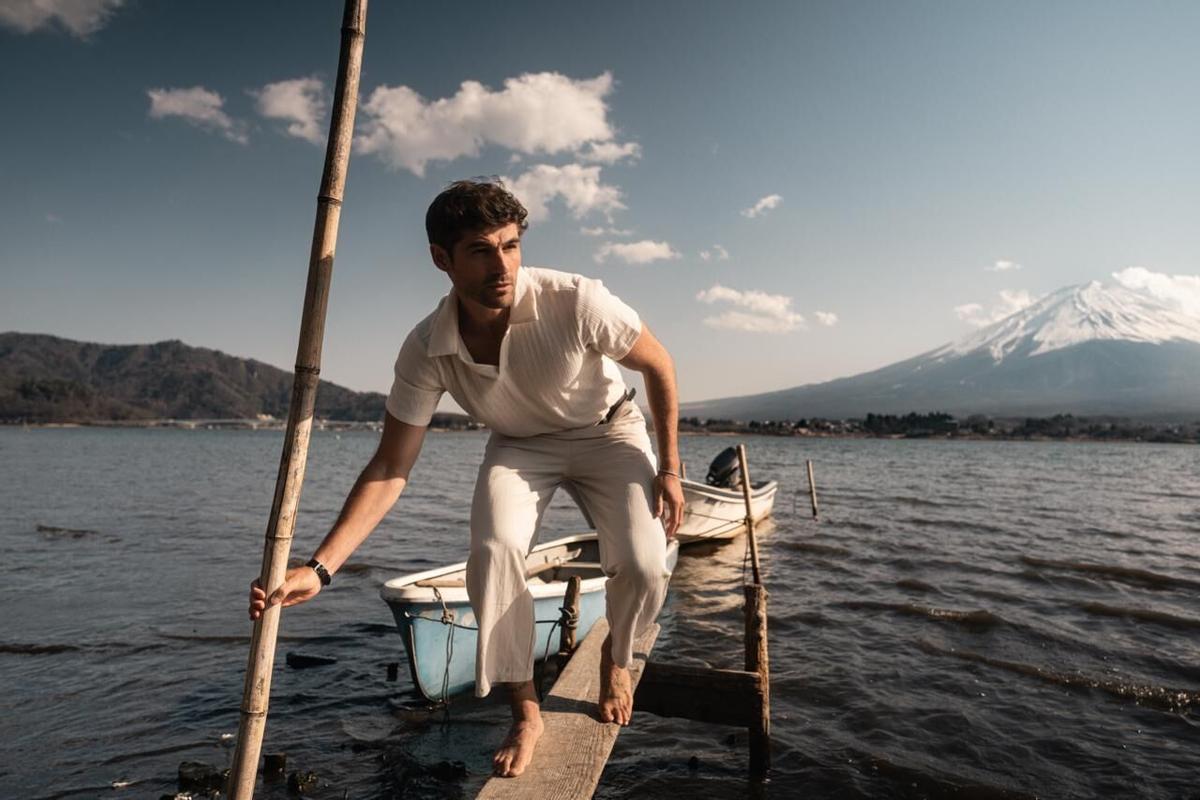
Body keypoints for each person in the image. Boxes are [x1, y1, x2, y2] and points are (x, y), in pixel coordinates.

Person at [248, 178, 683, 778]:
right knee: (493, 551)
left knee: (642, 559)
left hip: (608, 431)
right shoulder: (427, 348)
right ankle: (525, 709)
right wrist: (321, 568)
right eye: (481, 250)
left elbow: (658, 363)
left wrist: (671, 470)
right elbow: (390, 465)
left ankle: (616, 653)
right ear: (441, 259)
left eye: (510, 246)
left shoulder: (576, 299)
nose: (502, 265)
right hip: (519, 446)